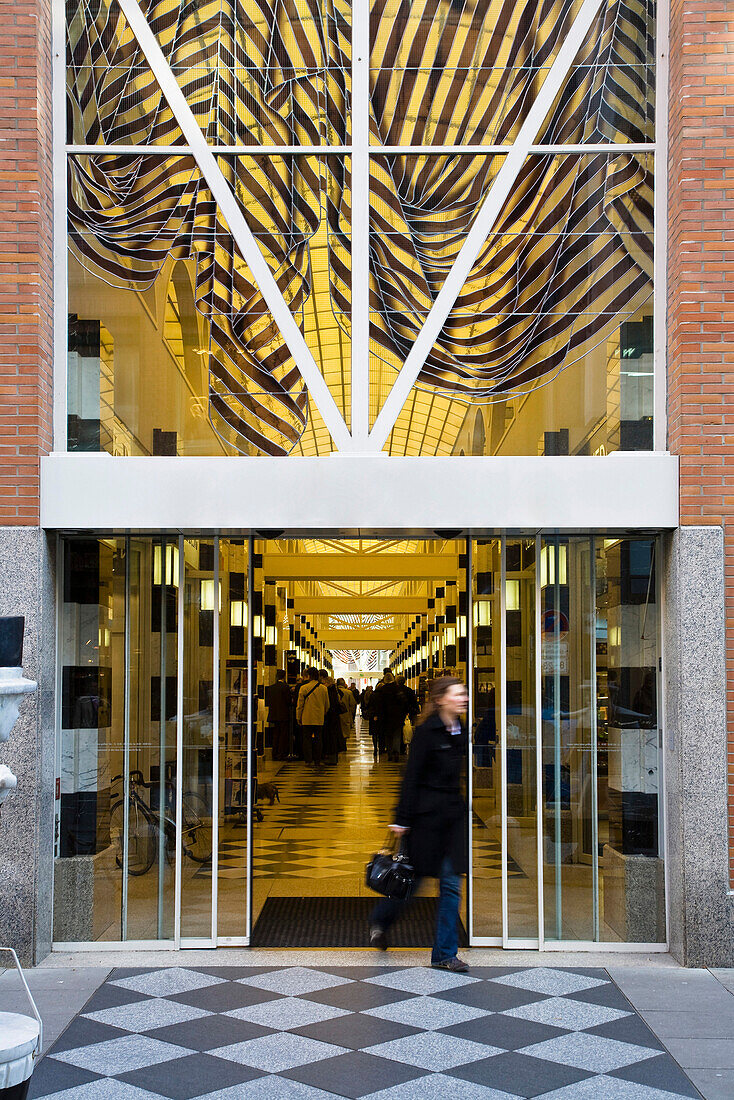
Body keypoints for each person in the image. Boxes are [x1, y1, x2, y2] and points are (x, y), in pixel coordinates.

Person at [370, 675, 469, 972]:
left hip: (453, 821)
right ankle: (381, 920)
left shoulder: (461, 730)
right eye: (457, 694)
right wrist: (401, 818)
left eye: (463, 693)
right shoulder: (426, 733)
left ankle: (444, 954)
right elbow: (411, 777)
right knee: (412, 884)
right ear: (441, 699)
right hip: (426, 821)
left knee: (451, 886)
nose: (463, 698)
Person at [296, 667, 329, 766]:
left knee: (307, 740)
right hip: (319, 718)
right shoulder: (324, 688)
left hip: (307, 718)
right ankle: (317, 760)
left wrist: (298, 717)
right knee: (318, 739)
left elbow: (300, 705)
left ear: (309, 676)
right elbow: (327, 705)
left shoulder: (303, 688)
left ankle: (308, 760)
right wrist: (322, 713)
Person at [373, 670, 406, 762]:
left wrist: (379, 715)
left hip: (386, 716)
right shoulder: (397, 688)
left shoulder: (382, 690)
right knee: (397, 734)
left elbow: (379, 704)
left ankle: (390, 753)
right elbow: (402, 700)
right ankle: (396, 751)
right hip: (397, 715)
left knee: (388, 735)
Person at [265, 670, 292, 760]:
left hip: (274, 714)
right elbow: (288, 701)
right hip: (283, 714)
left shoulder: (271, 688)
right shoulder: (285, 687)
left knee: (275, 734)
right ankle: (281, 753)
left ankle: (274, 753)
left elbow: (268, 701)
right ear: (284, 677)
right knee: (283, 734)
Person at [320, 669, 344, 764]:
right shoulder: (335, 691)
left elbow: (328, 705)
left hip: (330, 718)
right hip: (335, 718)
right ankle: (333, 757)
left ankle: (331, 758)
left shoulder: (329, 692)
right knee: (333, 737)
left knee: (330, 738)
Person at [361, 684, 379, 759]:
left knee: (374, 733)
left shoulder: (372, 695)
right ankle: (380, 748)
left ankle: (375, 748)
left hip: (373, 716)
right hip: (379, 716)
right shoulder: (377, 695)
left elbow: (367, 704)